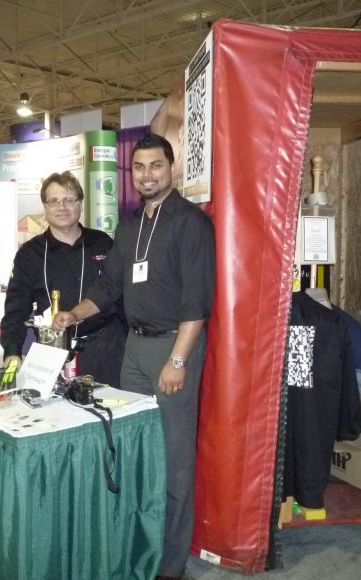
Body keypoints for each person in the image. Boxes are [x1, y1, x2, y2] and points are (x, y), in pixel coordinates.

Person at [52, 134, 215, 580]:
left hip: (172, 347)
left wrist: (178, 361)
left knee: (176, 461)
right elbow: (108, 288)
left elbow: (197, 303)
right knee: (136, 449)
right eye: (138, 168)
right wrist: (73, 313)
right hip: (134, 349)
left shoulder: (190, 223)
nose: (146, 175)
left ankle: (170, 565)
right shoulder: (129, 225)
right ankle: (138, 545)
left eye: (155, 166)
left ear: (172, 168)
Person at [0, 170, 125, 387]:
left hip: (106, 350)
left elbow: (120, 295)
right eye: (54, 201)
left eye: (69, 200)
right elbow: (16, 308)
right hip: (52, 354)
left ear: (80, 204)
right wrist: (12, 351)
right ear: (45, 207)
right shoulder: (30, 254)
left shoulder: (102, 243)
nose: (62, 207)